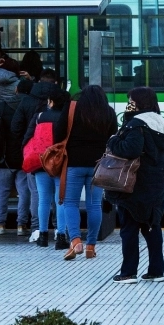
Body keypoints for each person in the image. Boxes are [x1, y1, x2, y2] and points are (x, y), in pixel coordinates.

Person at [105, 87, 164, 283]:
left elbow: (130, 149)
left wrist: (113, 140)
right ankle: (156, 270)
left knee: (129, 227)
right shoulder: (163, 124)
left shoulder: (136, 124)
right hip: (156, 183)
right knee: (152, 226)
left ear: (138, 102)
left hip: (134, 183)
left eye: (131, 100)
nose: (129, 103)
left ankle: (128, 272)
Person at [55, 85, 118, 261]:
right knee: (94, 205)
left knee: (70, 203)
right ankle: (91, 246)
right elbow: (113, 137)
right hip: (98, 165)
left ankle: (75, 241)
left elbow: (58, 132)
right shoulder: (108, 112)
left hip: (73, 163)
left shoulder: (73, 107)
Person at [12, 69, 62, 244]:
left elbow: (16, 127)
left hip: (36, 157)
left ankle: (37, 230)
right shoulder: (61, 105)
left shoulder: (27, 101)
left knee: (38, 195)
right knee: (58, 195)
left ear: (39, 81)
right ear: (55, 83)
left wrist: (27, 146)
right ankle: (58, 229)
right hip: (57, 157)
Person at [22, 87, 69, 249]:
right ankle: (61, 236)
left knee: (43, 199)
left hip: (41, 162)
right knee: (60, 199)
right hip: (60, 163)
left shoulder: (39, 117)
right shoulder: (66, 118)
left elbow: (27, 138)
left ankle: (42, 235)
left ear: (51, 102)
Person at [0, 79, 34, 236]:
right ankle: (21, 225)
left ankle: (0, 224)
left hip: (3, 157)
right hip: (24, 156)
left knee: (2, 191)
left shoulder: (2, 106)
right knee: (24, 192)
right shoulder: (32, 106)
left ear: (16, 89)